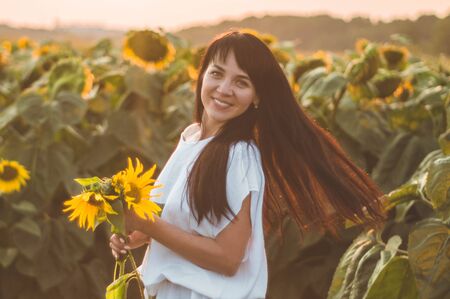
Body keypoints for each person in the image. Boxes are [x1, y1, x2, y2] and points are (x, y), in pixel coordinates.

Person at [109, 29, 386, 299]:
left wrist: (151, 226)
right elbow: (182, 224)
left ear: (257, 96)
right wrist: (139, 236)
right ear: (202, 75)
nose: (224, 89)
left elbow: (228, 258)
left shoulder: (238, 155)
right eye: (216, 73)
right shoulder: (192, 138)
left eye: (241, 82)